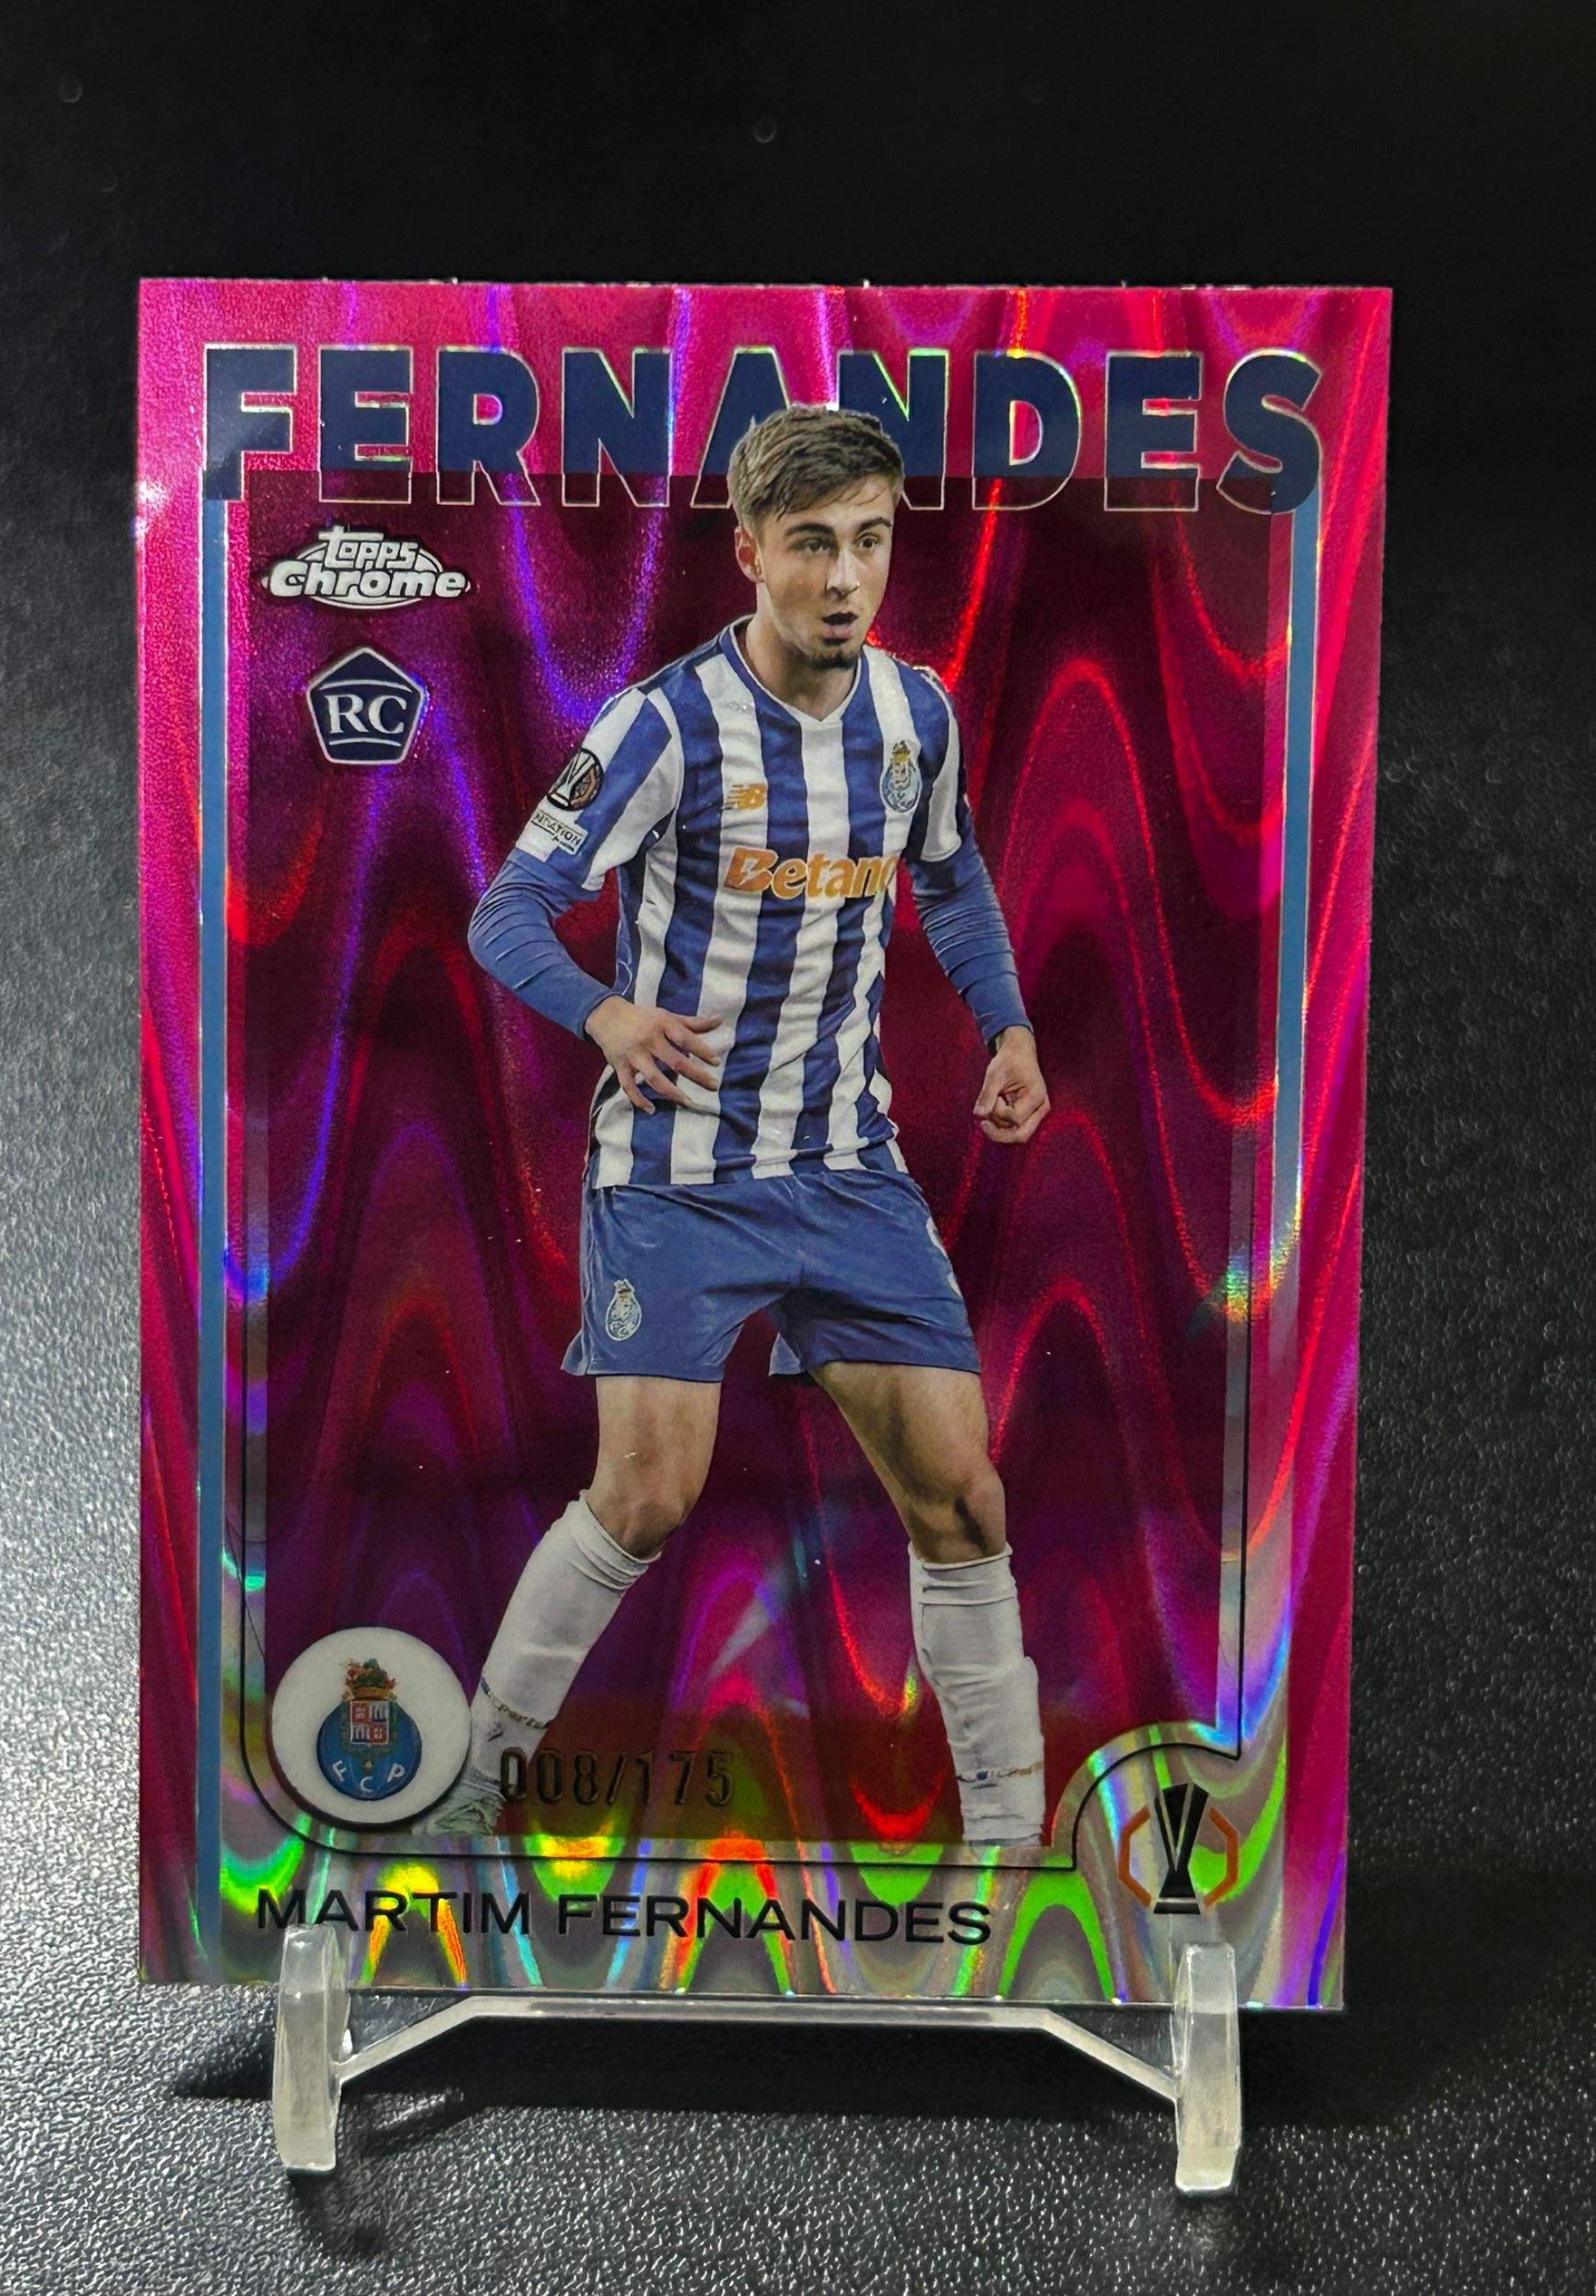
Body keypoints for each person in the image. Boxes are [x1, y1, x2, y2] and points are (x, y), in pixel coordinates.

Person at [422, 402, 1051, 1845]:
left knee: (964, 1499)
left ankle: (1012, 1846)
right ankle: (466, 1802)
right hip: (678, 1174)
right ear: (750, 553)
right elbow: (506, 909)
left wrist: (1008, 1026)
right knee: (645, 1497)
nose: (846, 577)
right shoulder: (665, 723)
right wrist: (606, 1015)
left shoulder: (916, 716)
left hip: (847, 1165)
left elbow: (949, 878)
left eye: (871, 542)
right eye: (814, 544)